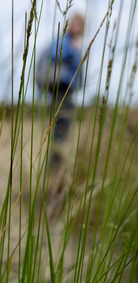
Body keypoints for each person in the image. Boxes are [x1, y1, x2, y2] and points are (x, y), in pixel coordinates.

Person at [37, 13, 85, 167]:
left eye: (80, 24)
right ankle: (52, 167)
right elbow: (54, 53)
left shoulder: (75, 43)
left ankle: (55, 165)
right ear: (71, 25)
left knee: (63, 128)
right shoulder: (65, 41)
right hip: (60, 89)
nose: (77, 27)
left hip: (68, 91)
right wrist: (72, 50)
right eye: (75, 23)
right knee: (60, 127)